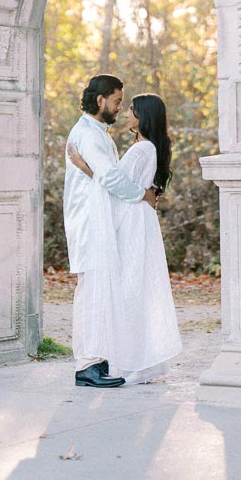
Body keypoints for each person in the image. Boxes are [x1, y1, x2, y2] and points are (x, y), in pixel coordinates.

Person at [66, 87, 182, 387]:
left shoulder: (142, 149)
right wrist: (142, 192)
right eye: (121, 104)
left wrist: (84, 167)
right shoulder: (143, 146)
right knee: (130, 288)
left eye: (131, 108)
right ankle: (125, 358)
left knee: (129, 289)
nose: (125, 112)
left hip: (130, 221)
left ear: (143, 117)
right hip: (133, 218)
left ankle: (129, 359)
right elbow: (118, 181)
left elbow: (114, 183)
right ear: (101, 99)